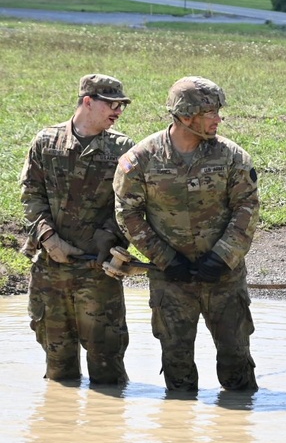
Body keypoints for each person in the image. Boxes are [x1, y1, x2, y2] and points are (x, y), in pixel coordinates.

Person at [113, 76, 260, 393]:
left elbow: (247, 209)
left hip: (224, 278)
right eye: (211, 113)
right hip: (171, 280)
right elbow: (127, 213)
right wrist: (166, 259)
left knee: (237, 365)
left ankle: (236, 433)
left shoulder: (233, 158)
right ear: (185, 115)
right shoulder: (139, 160)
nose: (218, 119)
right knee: (176, 367)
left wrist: (222, 258)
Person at [19, 74, 134, 385]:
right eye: (112, 104)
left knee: (107, 370)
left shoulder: (123, 149)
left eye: (121, 105)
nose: (118, 111)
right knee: (58, 370)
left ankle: (106, 431)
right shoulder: (46, 142)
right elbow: (31, 193)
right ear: (88, 101)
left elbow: (132, 205)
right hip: (50, 271)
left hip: (97, 272)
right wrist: (47, 237)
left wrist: (109, 237)